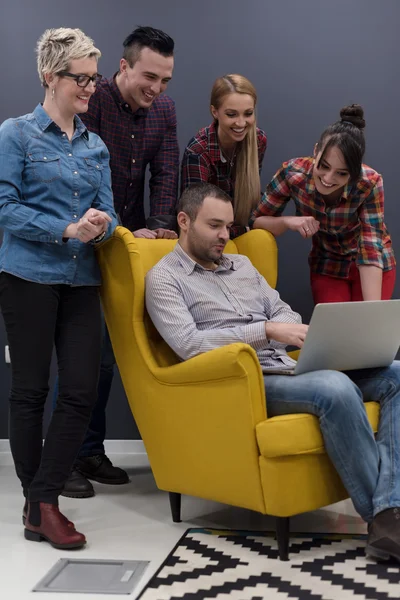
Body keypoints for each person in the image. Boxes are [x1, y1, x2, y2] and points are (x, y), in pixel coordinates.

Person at [145, 182, 400, 563]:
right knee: (334, 387)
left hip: (289, 368)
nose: (224, 236)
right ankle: (383, 523)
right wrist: (264, 331)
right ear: (184, 221)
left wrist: (278, 326)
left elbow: (287, 313)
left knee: (395, 373)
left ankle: (391, 505)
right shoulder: (164, 278)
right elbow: (190, 345)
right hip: (243, 384)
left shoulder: (242, 264)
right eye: (214, 226)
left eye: (229, 227)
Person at [0, 28, 117, 549]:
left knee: (81, 389)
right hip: (27, 276)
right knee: (30, 391)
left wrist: (101, 222)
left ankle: (41, 500)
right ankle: (40, 504)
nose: (91, 88)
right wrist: (66, 228)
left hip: (81, 279)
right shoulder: (15, 135)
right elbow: (3, 208)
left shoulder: (96, 146)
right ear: (51, 77)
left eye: (94, 78)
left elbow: (111, 213)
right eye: (81, 78)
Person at [53, 26, 180, 499]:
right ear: (123, 67)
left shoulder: (163, 110)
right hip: (81, 241)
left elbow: (166, 170)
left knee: (108, 357)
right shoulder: (94, 100)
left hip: (129, 248)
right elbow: (79, 175)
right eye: (149, 76)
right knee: (82, 357)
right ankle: (63, 457)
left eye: (165, 79)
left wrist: (162, 223)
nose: (157, 88)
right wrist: (115, 231)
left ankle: (88, 450)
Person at [250, 104, 395, 304]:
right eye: (324, 166)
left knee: (367, 330)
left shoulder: (369, 182)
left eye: (341, 173)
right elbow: (256, 220)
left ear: (354, 171)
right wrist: (288, 221)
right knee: (335, 333)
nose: (328, 178)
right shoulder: (292, 174)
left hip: (372, 265)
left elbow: (370, 246)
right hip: (328, 264)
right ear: (316, 150)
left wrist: (372, 312)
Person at [181, 74, 267, 237]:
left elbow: (251, 204)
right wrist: (248, 228)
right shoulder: (198, 151)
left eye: (248, 113)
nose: (241, 123)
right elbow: (197, 222)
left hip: (241, 235)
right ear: (215, 111)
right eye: (231, 114)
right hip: (205, 242)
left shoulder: (258, 141)